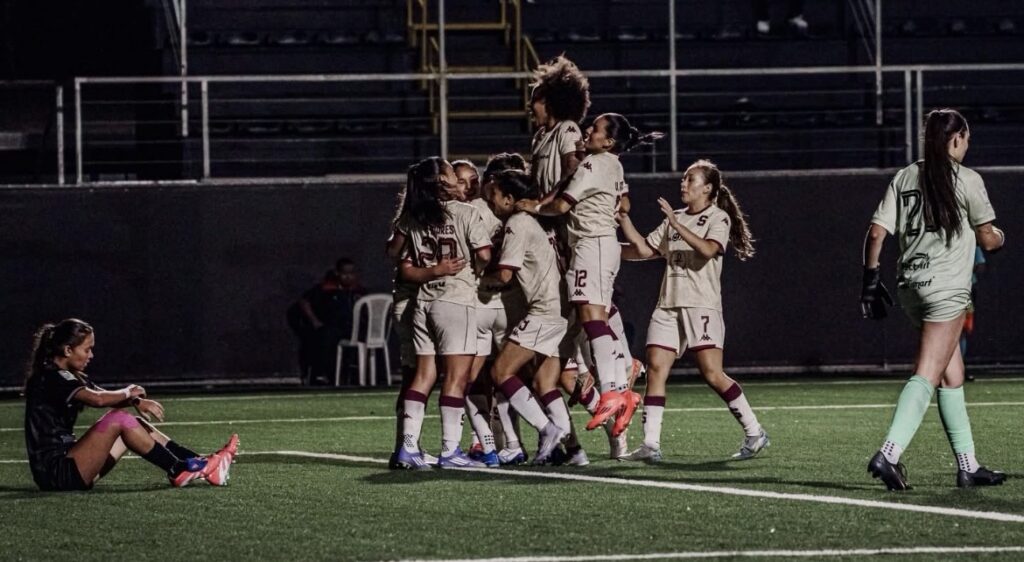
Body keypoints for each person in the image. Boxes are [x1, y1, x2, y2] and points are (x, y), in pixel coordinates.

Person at [861, 108, 1006, 491]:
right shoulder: (967, 179)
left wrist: (870, 279)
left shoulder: (905, 176)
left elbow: (876, 233)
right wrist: (1000, 237)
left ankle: (968, 466)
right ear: (956, 139)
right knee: (927, 372)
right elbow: (988, 238)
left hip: (911, 287)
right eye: (966, 139)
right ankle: (889, 453)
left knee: (951, 373)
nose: (967, 146)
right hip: (946, 290)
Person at [517, 113, 662, 440]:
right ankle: (620, 389)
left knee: (591, 316)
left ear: (608, 141)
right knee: (595, 316)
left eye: (595, 128)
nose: (588, 130)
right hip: (602, 244)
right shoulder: (613, 163)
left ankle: (614, 389)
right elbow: (625, 203)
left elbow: (561, 206)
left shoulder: (593, 163)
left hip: (591, 244)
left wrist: (532, 207)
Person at [617, 159, 769, 463]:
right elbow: (645, 249)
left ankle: (755, 432)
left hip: (701, 304)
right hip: (668, 304)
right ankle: (651, 444)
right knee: (656, 368)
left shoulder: (718, 217)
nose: (683, 183)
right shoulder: (676, 217)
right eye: (684, 178)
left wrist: (676, 225)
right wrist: (620, 224)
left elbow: (709, 249)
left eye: (690, 179)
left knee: (712, 373)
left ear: (708, 188)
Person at [23, 318, 238, 491]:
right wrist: (128, 391)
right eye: (87, 350)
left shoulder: (68, 375)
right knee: (118, 419)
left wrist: (135, 400)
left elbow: (103, 394)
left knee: (134, 423)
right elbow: (98, 399)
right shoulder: (49, 377)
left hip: (70, 465)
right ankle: (177, 469)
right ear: (68, 350)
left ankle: (201, 464)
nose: (91, 355)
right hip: (56, 473)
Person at [392, 156, 493, 470]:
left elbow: (397, 255)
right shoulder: (466, 212)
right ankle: (450, 451)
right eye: (450, 171)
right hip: (456, 299)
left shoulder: (415, 215)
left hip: (424, 300)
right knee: (456, 378)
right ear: (443, 180)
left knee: (423, 376)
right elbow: (484, 254)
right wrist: (480, 267)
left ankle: (408, 447)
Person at [484, 169, 577, 465]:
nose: (491, 201)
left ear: (509, 199)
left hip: (545, 311)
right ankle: (574, 450)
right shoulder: (540, 219)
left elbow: (505, 274)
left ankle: (548, 429)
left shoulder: (518, 223)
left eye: (494, 195)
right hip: (562, 309)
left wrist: (473, 280)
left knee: (500, 372)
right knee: (543, 382)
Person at [293, 258, 366, 385]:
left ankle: (367, 375)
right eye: (345, 273)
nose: (348, 277)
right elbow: (304, 302)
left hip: (352, 328)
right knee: (325, 337)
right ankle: (320, 374)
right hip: (332, 327)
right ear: (337, 273)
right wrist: (315, 321)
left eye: (351, 273)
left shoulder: (358, 291)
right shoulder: (326, 289)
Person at [961, 246, 986, 382]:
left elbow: (980, 264)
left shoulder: (970, 242)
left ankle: (959, 367)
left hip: (966, 288)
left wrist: (965, 268)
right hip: (944, 287)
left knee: (962, 329)